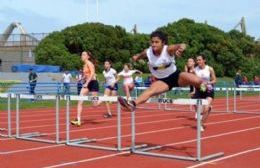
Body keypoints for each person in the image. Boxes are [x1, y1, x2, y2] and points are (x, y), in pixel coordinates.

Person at [118, 30, 205, 112]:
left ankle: (199, 93)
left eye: (156, 42)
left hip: (176, 76)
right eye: (152, 42)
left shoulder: (168, 49)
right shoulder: (148, 52)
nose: (153, 44)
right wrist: (136, 57)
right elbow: (140, 55)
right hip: (162, 81)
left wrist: (181, 49)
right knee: (150, 91)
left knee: (198, 81)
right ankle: (131, 105)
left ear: (163, 43)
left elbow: (181, 45)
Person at [71, 51, 99, 126]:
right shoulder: (84, 65)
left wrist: (86, 83)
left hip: (93, 83)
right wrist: (80, 79)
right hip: (87, 83)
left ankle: (106, 98)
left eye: (83, 55)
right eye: (81, 54)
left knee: (95, 105)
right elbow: (86, 74)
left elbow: (92, 73)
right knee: (80, 100)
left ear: (88, 57)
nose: (82, 56)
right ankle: (78, 120)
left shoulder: (90, 63)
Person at [193, 54, 217, 131]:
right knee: (199, 110)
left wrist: (208, 83)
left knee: (206, 108)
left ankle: (200, 124)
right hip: (199, 90)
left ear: (204, 60)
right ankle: (200, 123)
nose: (198, 61)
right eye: (197, 60)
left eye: (199, 60)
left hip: (208, 89)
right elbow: (193, 81)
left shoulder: (209, 69)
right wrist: (194, 89)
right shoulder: (195, 70)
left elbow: (215, 80)